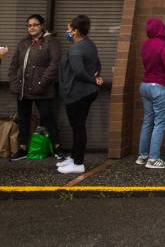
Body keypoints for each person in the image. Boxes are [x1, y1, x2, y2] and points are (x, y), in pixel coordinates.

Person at [8, 14, 65, 162]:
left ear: (42, 26)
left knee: (48, 118)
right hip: (23, 90)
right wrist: (14, 84)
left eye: (35, 25)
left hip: (43, 90)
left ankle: (58, 148)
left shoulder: (51, 41)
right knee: (23, 119)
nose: (31, 28)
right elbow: (14, 65)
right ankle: (22, 149)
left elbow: (54, 66)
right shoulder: (24, 42)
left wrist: (41, 84)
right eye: (29, 25)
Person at [57, 16, 103, 174]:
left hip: (78, 94)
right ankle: (74, 157)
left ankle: (78, 163)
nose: (67, 32)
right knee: (78, 126)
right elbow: (97, 64)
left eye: (69, 29)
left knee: (78, 127)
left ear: (75, 31)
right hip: (86, 92)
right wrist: (95, 77)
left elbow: (79, 72)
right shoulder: (89, 44)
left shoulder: (76, 49)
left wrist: (93, 80)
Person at [137, 18, 165, 169]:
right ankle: (153, 159)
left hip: (145, 85)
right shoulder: (163, 45)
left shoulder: (145, 45)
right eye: (164, 27)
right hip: (160, 87)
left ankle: (142, 156)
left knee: (148, 121)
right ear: (160, 29)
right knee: (160, 123)